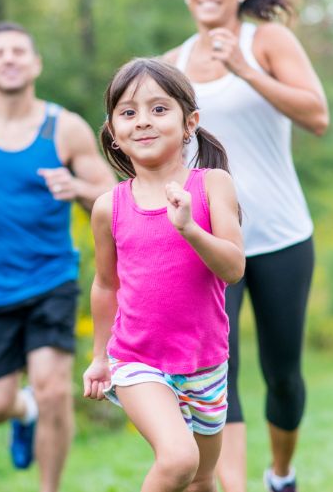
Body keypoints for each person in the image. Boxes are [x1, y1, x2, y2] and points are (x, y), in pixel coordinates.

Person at [0, 22, 115, 492]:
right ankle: (21, 411)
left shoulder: (64, 127)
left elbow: (112, 197)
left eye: (18, 51)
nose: (9, 58)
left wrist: (79, 189)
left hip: (51, 277)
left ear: (35, 64)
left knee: (53, 391)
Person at [163, 0, 330, 491]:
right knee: (218, 376)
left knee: (282, 374)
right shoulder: (173, 64)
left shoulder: (268, 40)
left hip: (282, 236)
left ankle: (281, 474)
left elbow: (317, 115)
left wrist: (245, 69)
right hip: (212, 244)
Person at [82, 58, 245, 492]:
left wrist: (190, 229)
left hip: (205, 362)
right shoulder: (108, 207)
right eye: (128, 113)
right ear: (114, 133)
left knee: (202, 478)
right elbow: (105, 285)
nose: (143, 122)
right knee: (177, 460)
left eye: (159, 109)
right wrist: (100, 356)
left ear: (189, 121)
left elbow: (233, 267)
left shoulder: (212, 186)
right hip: (137, 360)